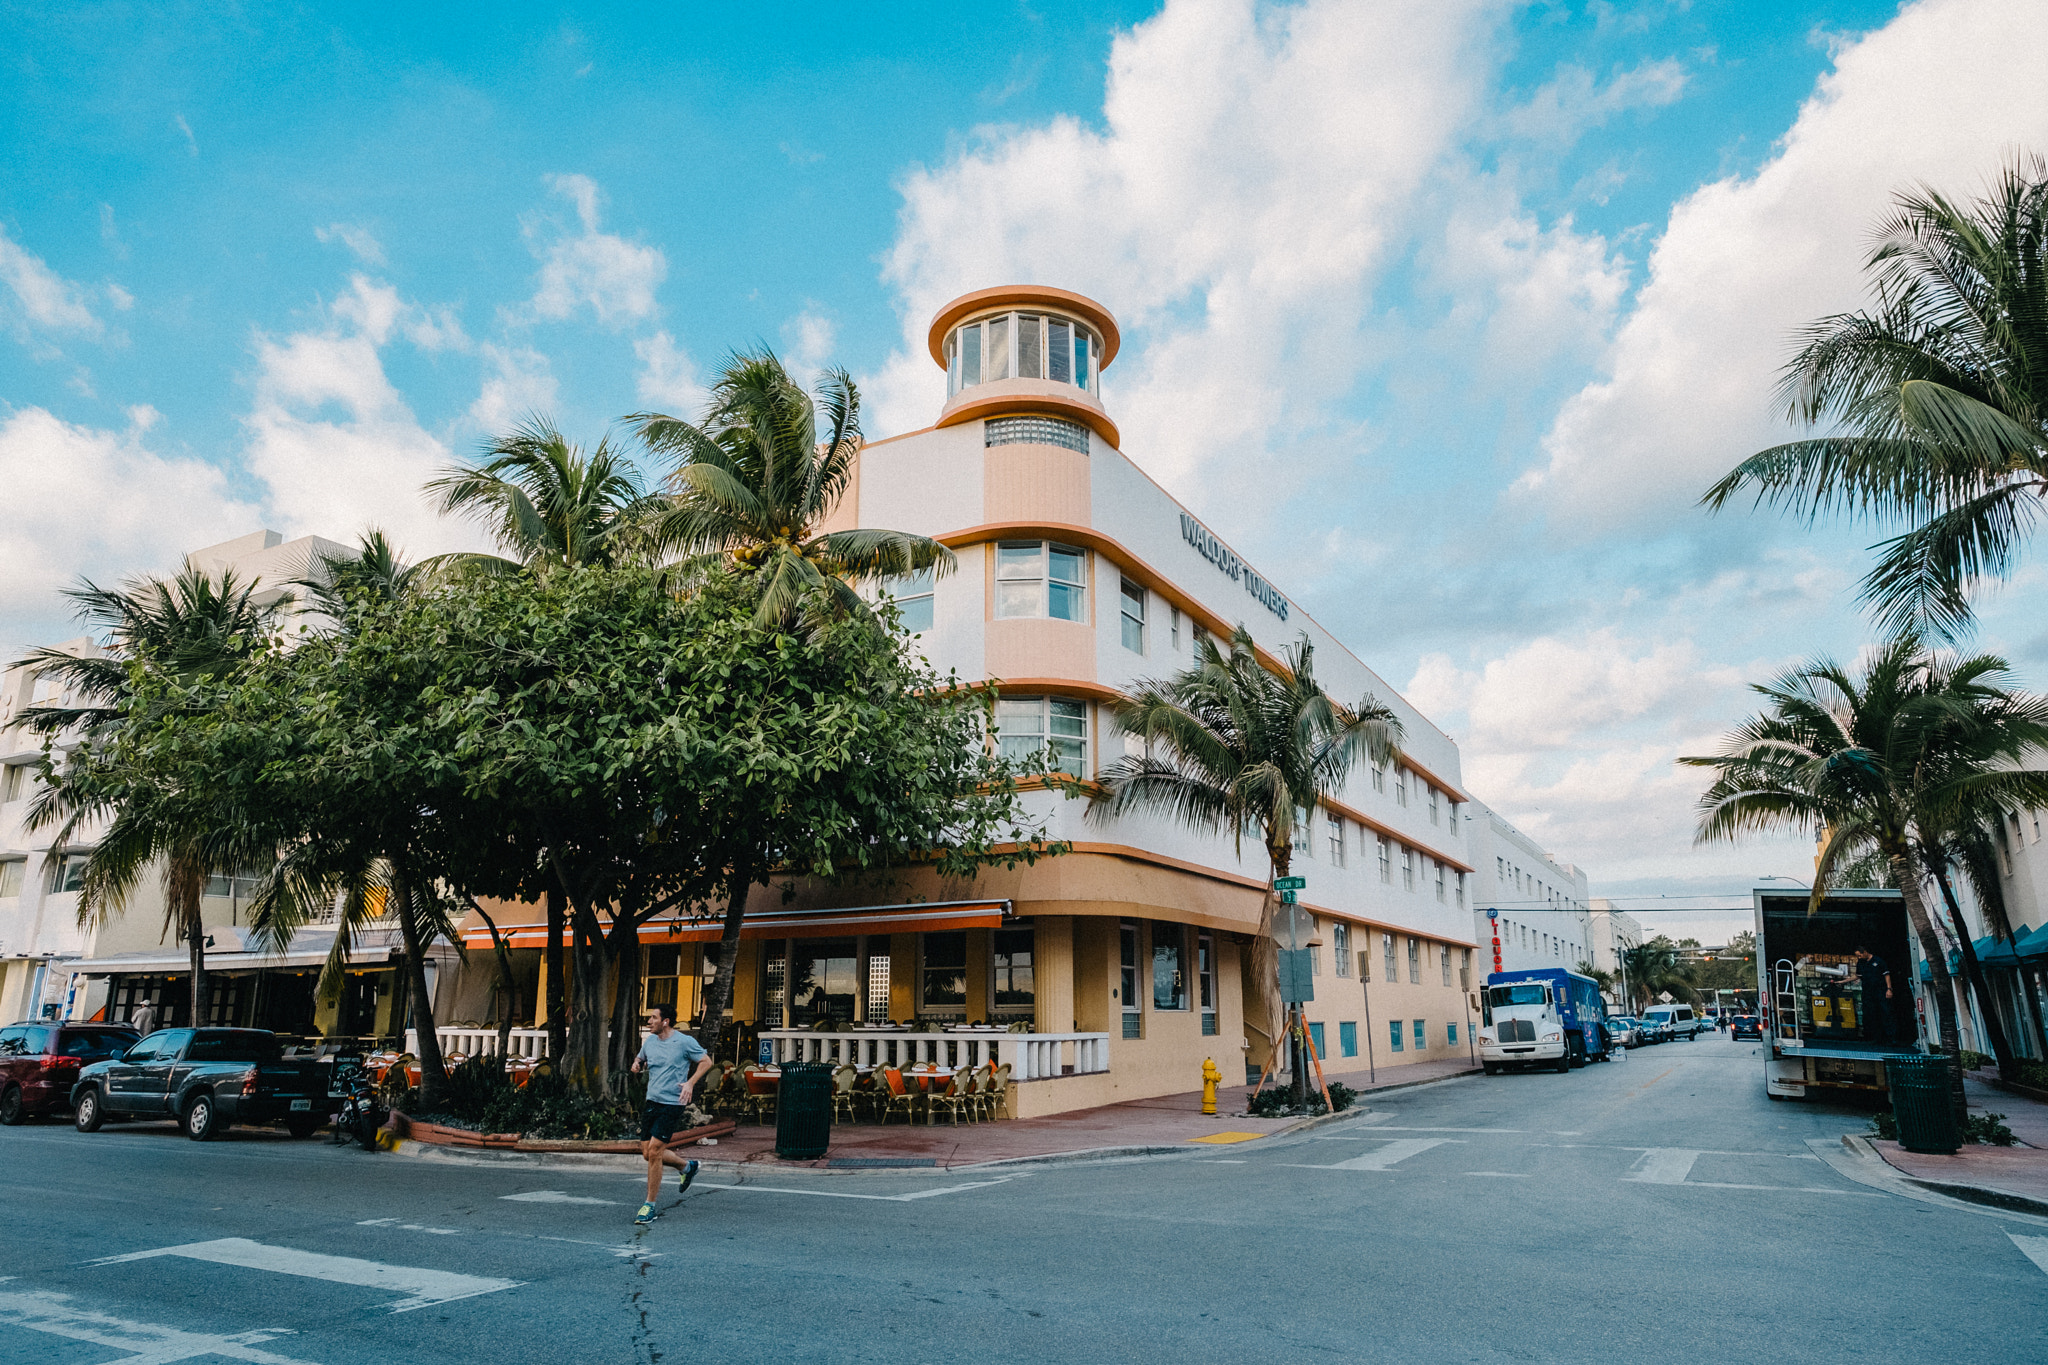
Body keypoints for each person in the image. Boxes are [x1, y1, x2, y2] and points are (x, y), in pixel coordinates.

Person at [630, 1001, 711, 1225]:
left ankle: (649, 1205)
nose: (649, 1021)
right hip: (652, 1101)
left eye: (653, 1018)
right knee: (647, 1152)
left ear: (665, 1021)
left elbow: (706, 1061)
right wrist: (637, 1063)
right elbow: (641, 1057)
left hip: (672, 1103)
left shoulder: (684, 1042)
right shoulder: (650, 1042)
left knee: (655, 1151)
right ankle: (687, 1167)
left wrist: (690, 1083)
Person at [1853, 945, 1896, 1044]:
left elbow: (1886, 975)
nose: (1859, 958)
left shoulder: (1878, 961)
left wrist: (1889, 989)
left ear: (1864, 952)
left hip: (1880, 990)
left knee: (1885, 1012)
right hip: (1868, 991)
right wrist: (1844, 981)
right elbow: (1858, 976)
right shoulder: (1861, 963)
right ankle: (1874, 1036)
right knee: (1871, 1013)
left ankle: (1890, 1036)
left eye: (1859, 955)